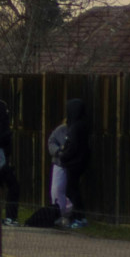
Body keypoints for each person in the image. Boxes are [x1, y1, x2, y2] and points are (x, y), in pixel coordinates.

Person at [59, 97, 91, 229]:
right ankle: (79, 217)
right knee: (74, 189)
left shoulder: (75, 127)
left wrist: (63, 155)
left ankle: (79, 217)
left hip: (74, 162)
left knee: (71, 190)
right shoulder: (83, 124)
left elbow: (72, 146)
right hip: (81, 161)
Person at [48, 118, 70, 224]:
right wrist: (58, 151)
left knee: (68, 190)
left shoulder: (76, 129)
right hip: (59, 163)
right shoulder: (60, 130)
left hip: (71, 164)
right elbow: (51, 142)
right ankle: (58, 214)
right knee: (57, 190)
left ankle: (66, 214)